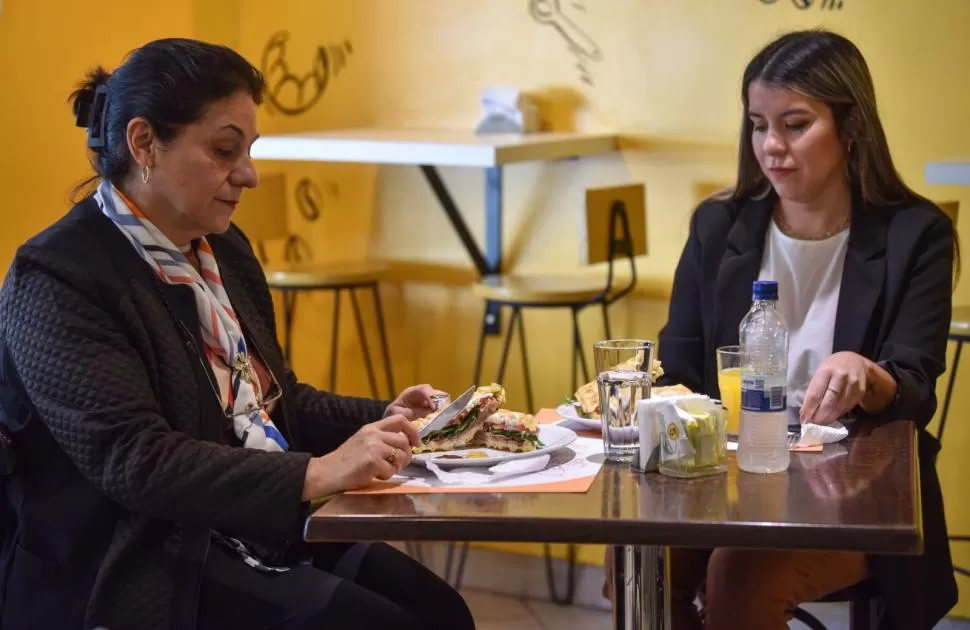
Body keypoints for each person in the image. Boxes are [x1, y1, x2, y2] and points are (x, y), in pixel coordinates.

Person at [0, 38, 475, 630]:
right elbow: (136, 461)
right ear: (144, 142)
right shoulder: (56, 277)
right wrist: (320, 472)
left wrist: (393, 420)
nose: (248, 175)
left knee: (439, 610)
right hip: (128, 562)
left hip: (237, 529)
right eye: (225, 151)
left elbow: (276, 403)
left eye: (248, 151)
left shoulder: (220, 247)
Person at [605, 29, 958, 629]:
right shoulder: (718, 227)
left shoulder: (913, 235)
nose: (772, 146)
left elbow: (915, 389)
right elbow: (682, 369)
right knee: (640, 561)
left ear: (851, 128)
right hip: (725, 477)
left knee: (741, 575)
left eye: (796, 124)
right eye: (758, 124)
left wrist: (869, 376)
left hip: (852, 494)